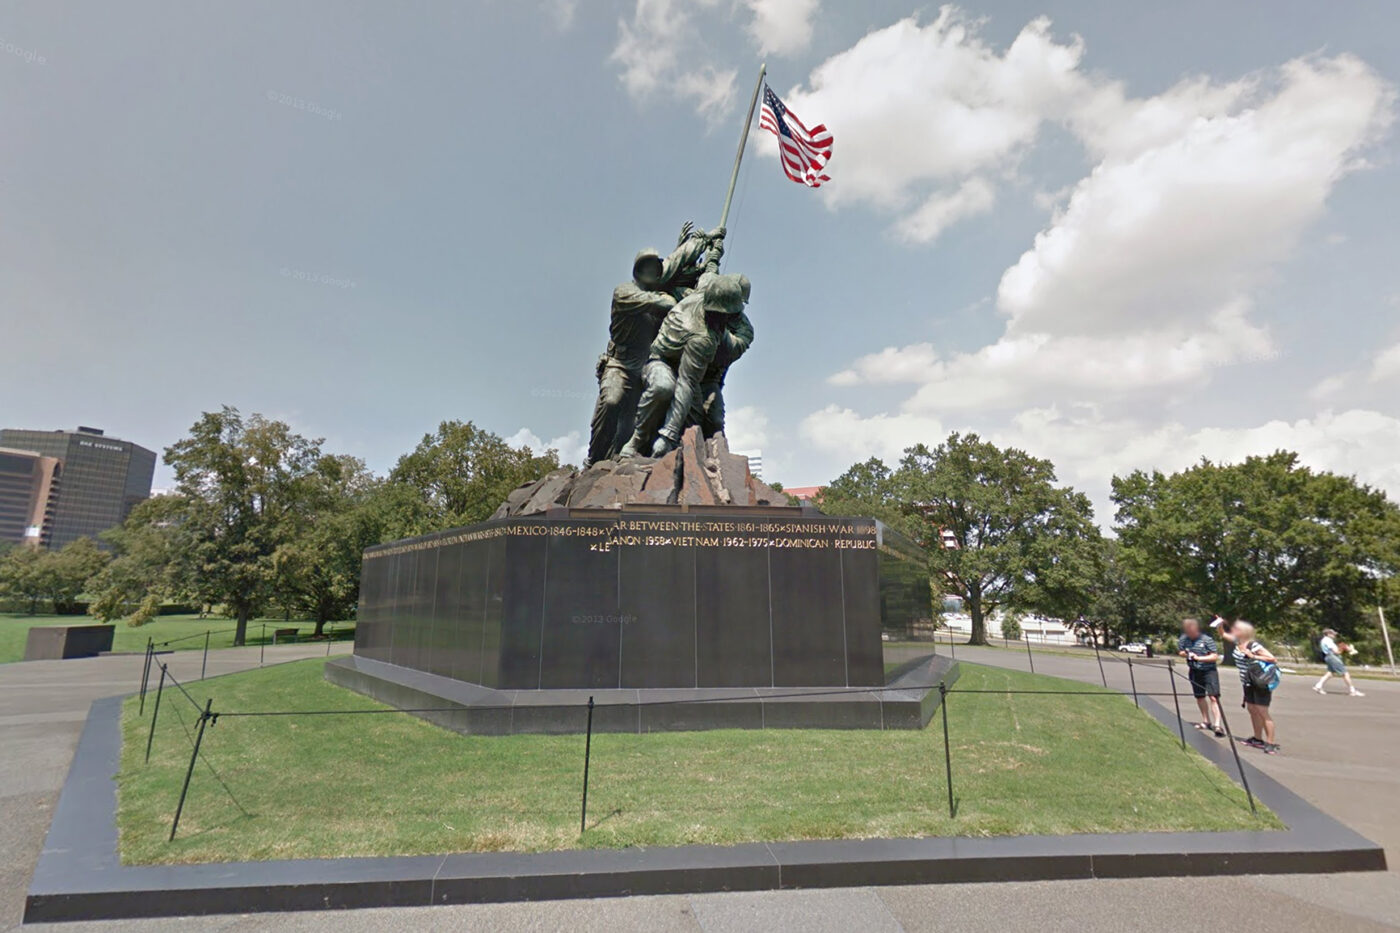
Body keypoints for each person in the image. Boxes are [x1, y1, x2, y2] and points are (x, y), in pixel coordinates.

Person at [585, 223, 721, 465]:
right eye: (645, 266)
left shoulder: (662, 288)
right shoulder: (625, 292)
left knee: (633, 424)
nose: (651, 270)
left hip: (646, 365)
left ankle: (637, 455)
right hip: (621, 364)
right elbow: (662, 300)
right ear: (637, 271)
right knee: (612, 401)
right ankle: (593, 461)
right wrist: (673, 295)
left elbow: (677, 266)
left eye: (654, 266)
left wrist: (704, 247)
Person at [620, 272, 747, 458]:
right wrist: (668, 435)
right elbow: (686, 383)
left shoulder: (704, 292)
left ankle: (705, 457)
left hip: (702, 377)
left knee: (709, 418)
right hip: (662, 361)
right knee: (662, 387)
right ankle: (638, 440)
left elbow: (708, 274)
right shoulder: (702, 338)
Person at [1231, 621, 1279, 754]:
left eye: (1236, 629)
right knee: (1252, 709)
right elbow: (1223, 634)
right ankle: (1258, 739)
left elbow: (1272, 659)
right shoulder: (1238, 644)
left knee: (1262, 711)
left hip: (1260, 681)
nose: (1233, 631)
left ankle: (1270, 742)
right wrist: (1219, 626)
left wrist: (1253, 656)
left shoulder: (1253, 645)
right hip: (1247, 682)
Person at [1177, 618, 1224, 737]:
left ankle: (1217, 724)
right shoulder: (1184, 639)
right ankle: (1206, 721)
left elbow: (1214, 656)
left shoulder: (1206, 640)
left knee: (1213, 697)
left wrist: (1199, 658)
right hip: (1194, 670)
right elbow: (1181, 652)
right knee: (1199, 697)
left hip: (1209, 671)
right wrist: (1187, 654)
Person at [1313, 628, 1365, 697]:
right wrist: (1344, 648)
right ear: (1328, 634)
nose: (1334, 635)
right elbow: (1336, 652)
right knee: (1345, 673)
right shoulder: (1328, 641)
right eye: (1333, 634)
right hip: (1332, 657)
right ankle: (1352, 690)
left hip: (1329, 657)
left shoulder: (1326, 640)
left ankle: (1318, 686)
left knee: (1330, 673)